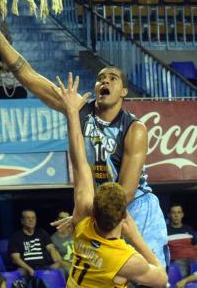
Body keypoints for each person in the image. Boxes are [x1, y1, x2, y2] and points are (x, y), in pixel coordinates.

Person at [0, 7, 168, 269]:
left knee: (153, 279)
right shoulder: (79, 110)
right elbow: (29, 77)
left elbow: (125, 194)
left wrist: (81, 215)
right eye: (100, 78)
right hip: (101, 209)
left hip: (136, 209)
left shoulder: (134, 129)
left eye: (112, 78)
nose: (104, 81)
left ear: (124, 91)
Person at [53, 73, 168, 287]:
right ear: (125, 217)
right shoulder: (124, 258)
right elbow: (161, 279)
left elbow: (79, 162)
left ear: (94, 212)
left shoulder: (83, 227)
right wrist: (135, 237)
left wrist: (71, 112)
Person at [9, 209, 64, 282]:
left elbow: (51, 248)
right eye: (28, 218)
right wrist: (29, 269)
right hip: (25, 268)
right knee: (20, 273)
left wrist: (56, 261)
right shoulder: (16, 237)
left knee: (61, 270)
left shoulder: (42, 232)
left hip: (44, 267)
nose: (31, 220)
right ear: (22, 221)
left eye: (33, 218)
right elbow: (16, 259)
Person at [167, 204, 197, 277]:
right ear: (169, 215)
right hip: (178, 262)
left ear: (182, 215)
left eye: (179, 212)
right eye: (173, 213)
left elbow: (195, 245)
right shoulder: (165, 230)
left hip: (194, 260)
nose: (176, 215)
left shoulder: (188, 229)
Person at [51, 211, 73, 277]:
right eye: (62, 218)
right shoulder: (53, 239)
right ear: (56, 221)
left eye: (67, 218)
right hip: (66, 268)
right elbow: (59, 261)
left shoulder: (76, 235)